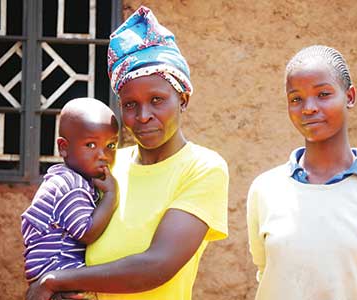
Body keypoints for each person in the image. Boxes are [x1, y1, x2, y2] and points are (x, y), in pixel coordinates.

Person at [26, 6, 229, 300]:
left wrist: (55, 282)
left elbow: (156, 266)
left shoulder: (202, 168)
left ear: (182, 100)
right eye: (130, 104)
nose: (143, 115)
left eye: (157, 100)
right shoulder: (107, 165)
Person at [247, 45, 357, 300]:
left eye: (323, 94)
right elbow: (266, 272)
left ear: (349, 96)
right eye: (296, 99)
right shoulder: (265, 189)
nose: (308, 108)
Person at [21, 98, 119, 284]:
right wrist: (111, 196)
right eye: (90, 145)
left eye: (111, 146)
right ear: (63, 147)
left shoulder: (74, 179)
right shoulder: (70, 185)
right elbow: (87, 233)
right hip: (57, 269)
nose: (103, 155)